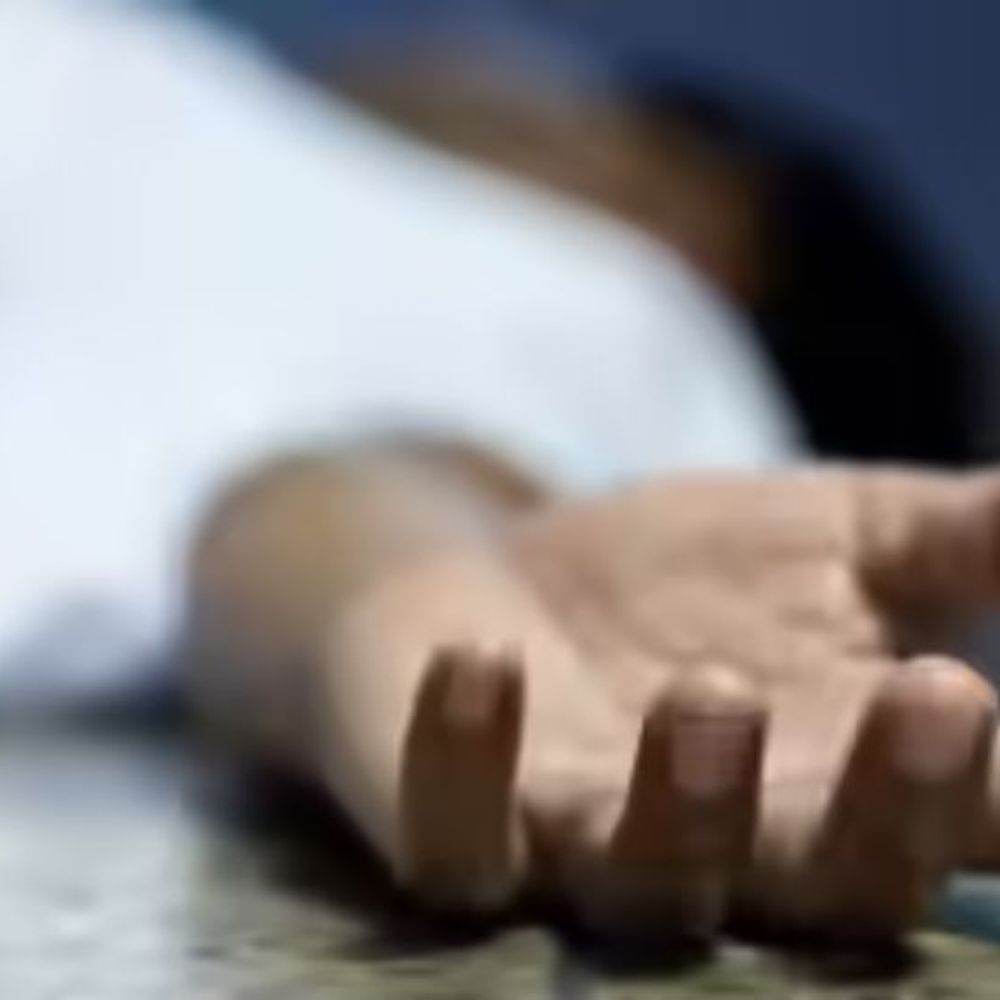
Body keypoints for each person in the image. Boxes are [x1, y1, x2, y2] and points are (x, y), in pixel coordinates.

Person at [2, 0, 999, 944]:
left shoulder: (606, 299)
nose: (487, 55)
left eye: (612, 119)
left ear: (694, 225)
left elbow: (384, 493)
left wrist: (423, 607)